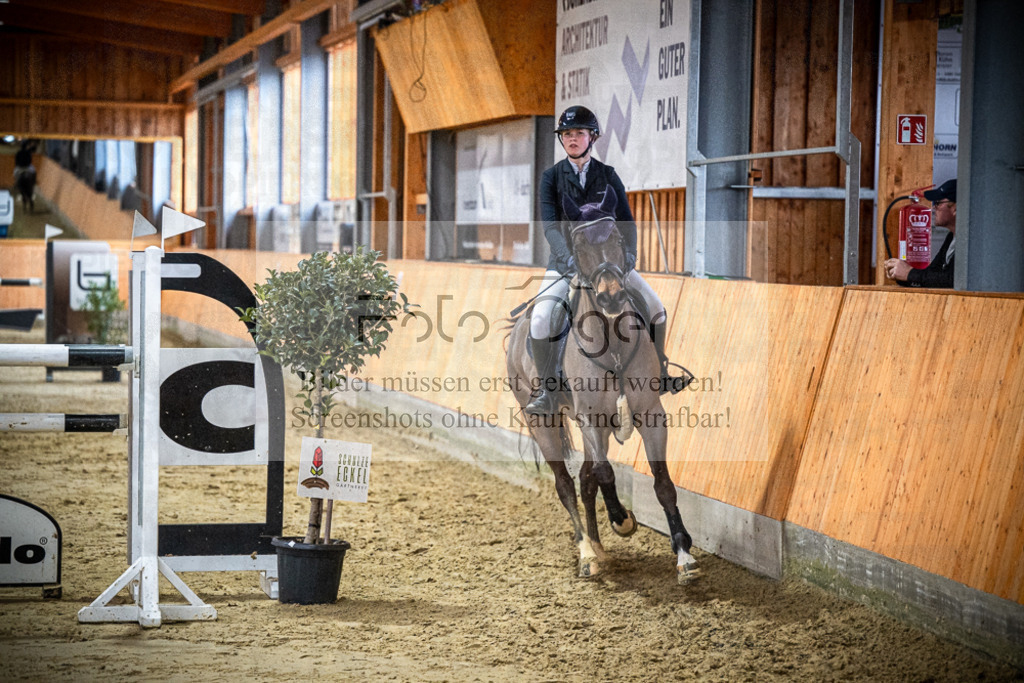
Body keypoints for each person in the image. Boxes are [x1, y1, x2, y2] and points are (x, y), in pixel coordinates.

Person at [525, 105, 684, 416]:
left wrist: (630, 255)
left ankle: (661, 372)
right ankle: (547, 390)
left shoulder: (608, 175)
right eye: (566, 134)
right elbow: (550, 228)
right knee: (541, 319)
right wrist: (567, 258)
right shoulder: (551, 178)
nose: (572, 139)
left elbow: (627, 221)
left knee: (656, 308)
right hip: (567, 264)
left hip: (611, 265)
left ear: (592, 137)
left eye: (579, 133)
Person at [884, 179, 956, 288]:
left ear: (955, 208)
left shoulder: (970, 242)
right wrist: (900, 274)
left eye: (938, 203)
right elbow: (932, 273)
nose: (933, 208)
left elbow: (952, 279)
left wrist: (909, 273)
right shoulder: (951, 237)